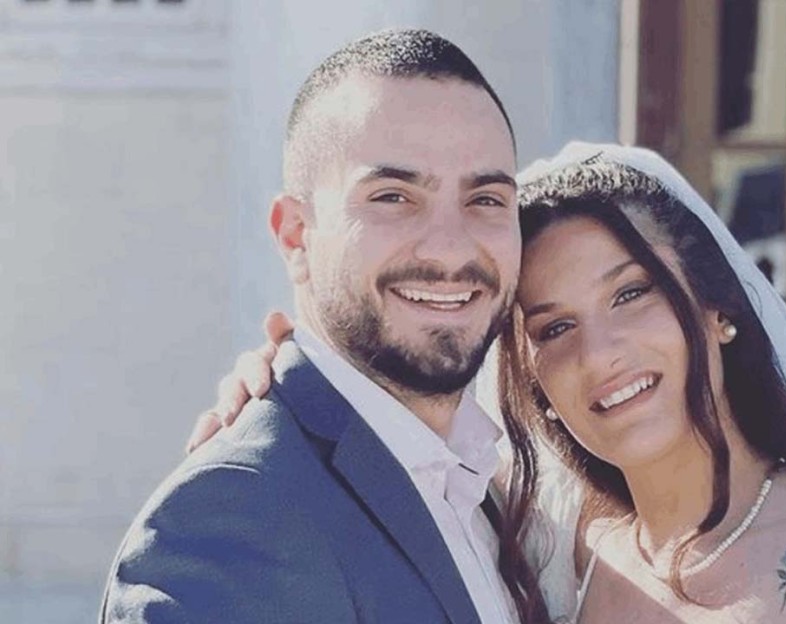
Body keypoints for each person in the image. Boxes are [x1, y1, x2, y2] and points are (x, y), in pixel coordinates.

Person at [200, 143, 786, 623]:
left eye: (631, 294)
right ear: (533, 382)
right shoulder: (543, 551)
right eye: (554, 328)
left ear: (717, 308)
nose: (600, 354)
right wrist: (283, 399)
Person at [100, 29, 548, 624]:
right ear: (295, 236)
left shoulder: (486, 484)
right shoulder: (236, 516)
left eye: (486, 199)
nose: (449, 250)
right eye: (393, 197)